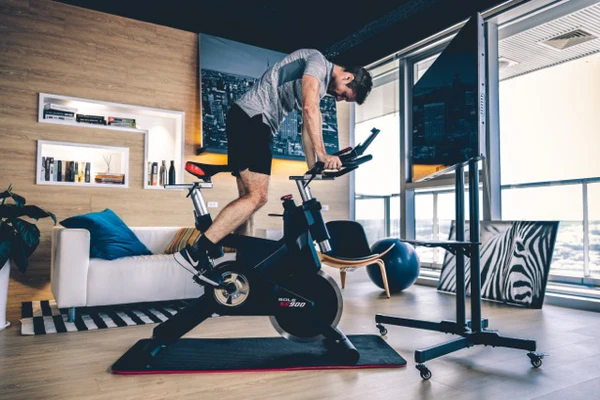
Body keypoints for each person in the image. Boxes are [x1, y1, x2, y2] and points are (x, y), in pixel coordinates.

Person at [174, 48, 373, 285]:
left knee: (249, 202)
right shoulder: (318, 62)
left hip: (250, 120)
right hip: (253, 120)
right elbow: (310, 110)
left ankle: (239, 272)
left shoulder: (319, 89)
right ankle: (196, 252)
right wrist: (322, 153)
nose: (339, 98)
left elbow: (306, 127)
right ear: (348, 77)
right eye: (345, 95)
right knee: (258, 197)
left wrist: (315, 165)